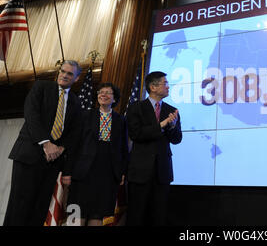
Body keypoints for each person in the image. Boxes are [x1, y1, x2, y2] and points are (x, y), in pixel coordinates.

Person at [3, 60, 82, 226]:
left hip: (52, 161)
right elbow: (31, 115)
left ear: (76, 78)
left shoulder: (75, 101)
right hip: (29, 155)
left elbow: (74, 131)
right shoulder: (41, 87)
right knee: (19, 206)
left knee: (39, 209)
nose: (64, 75)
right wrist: (47, 144)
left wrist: (60, 149)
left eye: (69, 74)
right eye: (63, 71)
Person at [67, 82, 128, 226]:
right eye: (101, 92)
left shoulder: (121, 120)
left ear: (114, 99)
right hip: (83, 171)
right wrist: (67, 170)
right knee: (77, 211)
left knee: (98, 213)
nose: (103, 95)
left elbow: (123, 148)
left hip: (108, 172)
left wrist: (122, 171)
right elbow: (74, 144)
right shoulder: (85, 115)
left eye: (108, 92)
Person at [126, 71, 182, 226]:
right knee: (136, 215)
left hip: (162, 172)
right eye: (165, 83)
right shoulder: (136, 108)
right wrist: (162, 125)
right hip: (140, 171)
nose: (168, 86)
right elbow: (136, 134)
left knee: (158, 215)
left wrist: (171, 127)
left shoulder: (172, 110)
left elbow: (177, 139)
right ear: (153, 87)